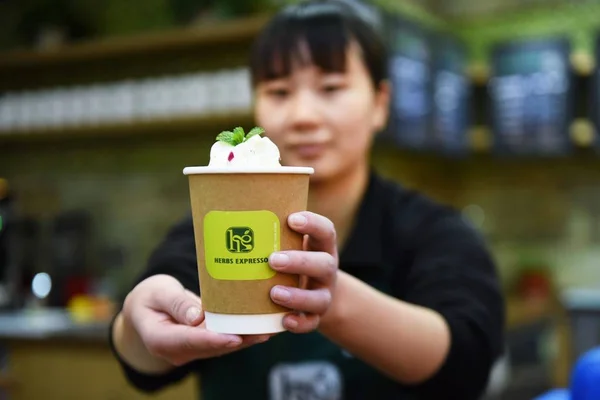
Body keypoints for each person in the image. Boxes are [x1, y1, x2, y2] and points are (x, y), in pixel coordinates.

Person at [109, 1, 505, 399]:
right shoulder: (215, 223)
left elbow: (466, 362)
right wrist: (137, 322)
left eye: (331, 88)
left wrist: (334, 300)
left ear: (380, 104)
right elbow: (141, 364)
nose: (302, 115)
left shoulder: (433, 231)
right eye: (279, 91)